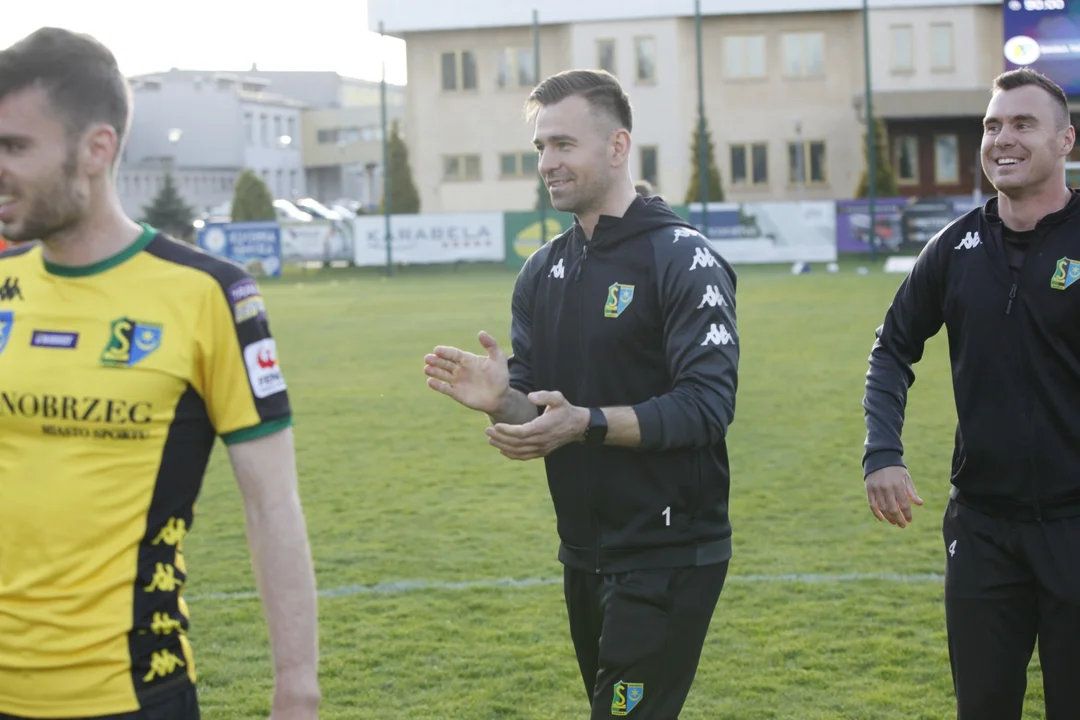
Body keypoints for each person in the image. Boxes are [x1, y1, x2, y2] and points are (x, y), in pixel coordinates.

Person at [0, 28, 320, 720]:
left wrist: (297, 685)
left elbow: (272, 505)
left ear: (97, 149)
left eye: (15, 147)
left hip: (130, 694)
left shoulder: (209, 294)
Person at [424, 69, 739, 719]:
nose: (547, 162)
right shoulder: (542, 271)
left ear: (618, 147)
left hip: (668, 553)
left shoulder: (683, 258)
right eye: (540, 147)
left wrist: (587, 423)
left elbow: (707, 407)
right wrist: (504, 400)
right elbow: (543, 413)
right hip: (584, 551)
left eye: (563, 144)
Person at [862, 67, 1080, 720]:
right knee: (983, 707)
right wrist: (883, 452)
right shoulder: (955, 247)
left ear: (1066, 140)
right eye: (991, 125)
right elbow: (891, 347)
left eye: (1022, 124)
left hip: (1077, 524)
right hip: (982, 529)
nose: (1001, 138)